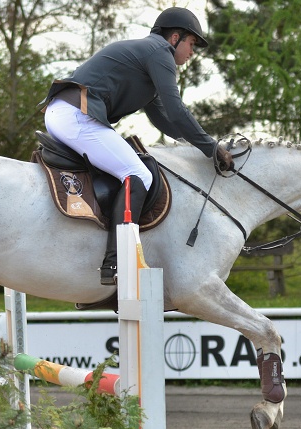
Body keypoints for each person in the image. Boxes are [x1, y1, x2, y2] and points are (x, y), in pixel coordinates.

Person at [41, 6, 234, 285]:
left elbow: (165, 120)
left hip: (66, 112)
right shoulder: (160, 54)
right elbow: (177, 110)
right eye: (192, 44)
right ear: (175, 38)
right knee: (138, 174)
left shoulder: (148, 60)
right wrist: (211, 147)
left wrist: (196, 146)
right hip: (76, 115)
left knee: (132, 169)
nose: (192, 52)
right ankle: (117, 261)